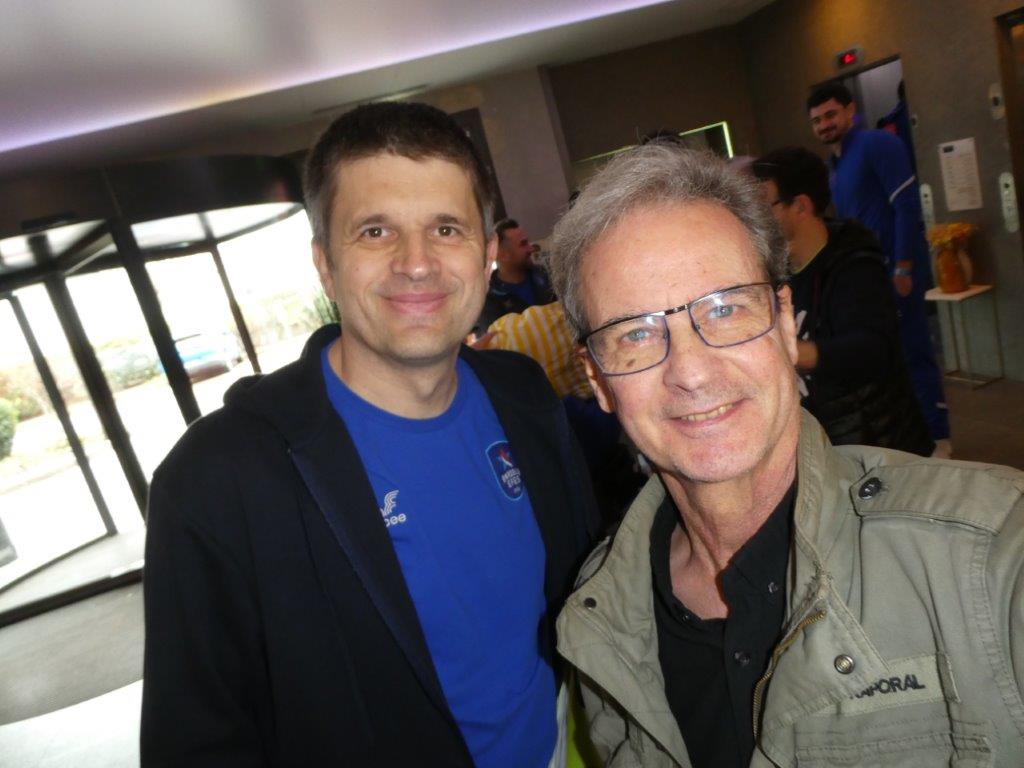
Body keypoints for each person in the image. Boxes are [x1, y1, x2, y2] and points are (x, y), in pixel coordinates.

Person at [141, 101, 597, 768]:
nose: (416, 263)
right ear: (325, 265)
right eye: (375, 231)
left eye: (446, 228)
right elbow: (197, 743)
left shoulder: (524, 395)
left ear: (485, 254)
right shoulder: (216, 480)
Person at [548, 144, 1024, 767]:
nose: (691, 372)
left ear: (783, 322)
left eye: (725, 308)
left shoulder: (990, 550)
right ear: (599, 381)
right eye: (635, 333)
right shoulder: (601, 613)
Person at [751, 146, 933, 455]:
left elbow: (871, 351)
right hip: (827, 450)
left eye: (764, 206)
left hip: (879, 447)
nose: (756, 218)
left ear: (801, 206)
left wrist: (788, 350)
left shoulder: (855, 266)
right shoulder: (778, 273)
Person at [808, 81, 951, 457]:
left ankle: (940, 440)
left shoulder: (877, 144)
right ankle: (918, 440)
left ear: (850, 111)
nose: (824, 125)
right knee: (891, 357)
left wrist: (904, 265)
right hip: (869, 278)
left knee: (914, 352)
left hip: (895, 271)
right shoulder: (835, 167)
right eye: (817, 120)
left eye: (830, 115)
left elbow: (906, 206)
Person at [475, 218, 556, 333]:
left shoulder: (545, 276)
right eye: (523, 244)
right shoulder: (489, 300)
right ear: (502, 255)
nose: (531, 248)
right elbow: (496, 340)